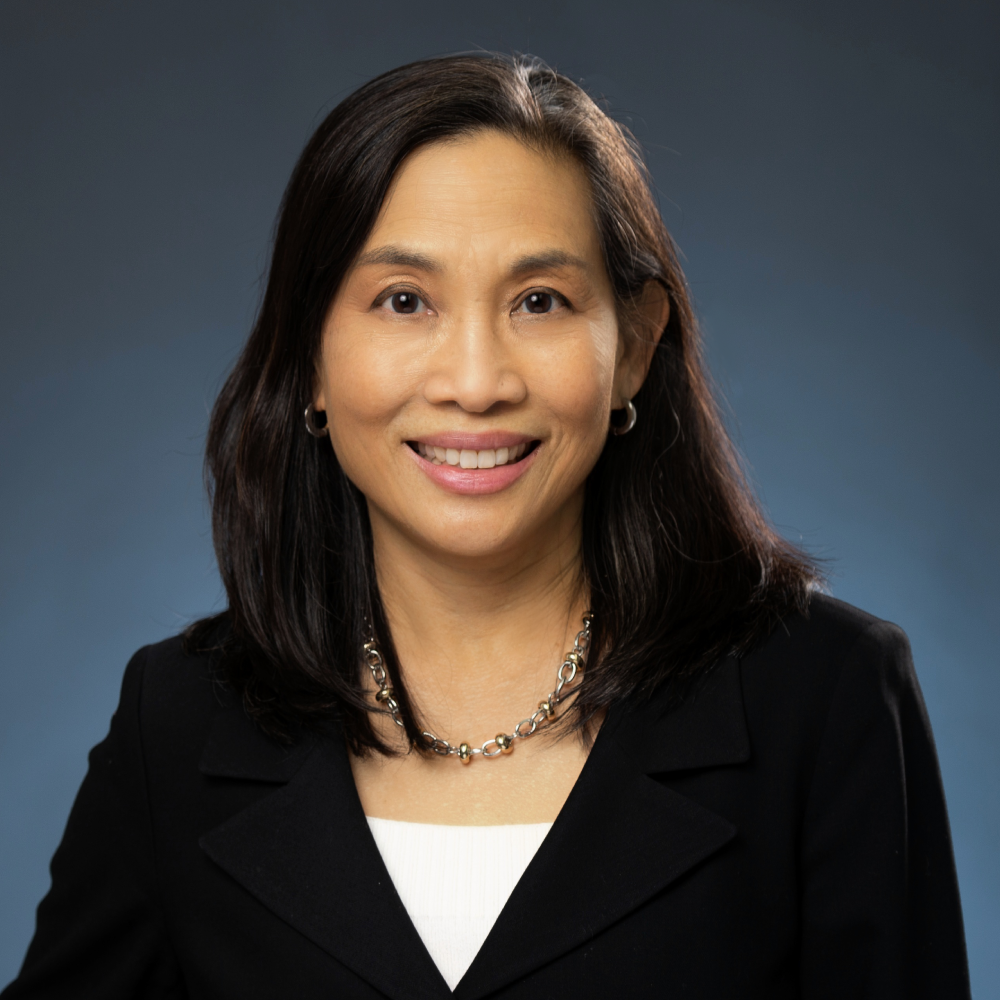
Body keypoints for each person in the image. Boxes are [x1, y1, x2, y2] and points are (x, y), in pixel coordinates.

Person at [2, 53, 969, 999]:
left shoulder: (828, 699)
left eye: (539, 302)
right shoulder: (175, 724)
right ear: (309, 359)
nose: (475, 383)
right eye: (404, 301)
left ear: (635, 345)